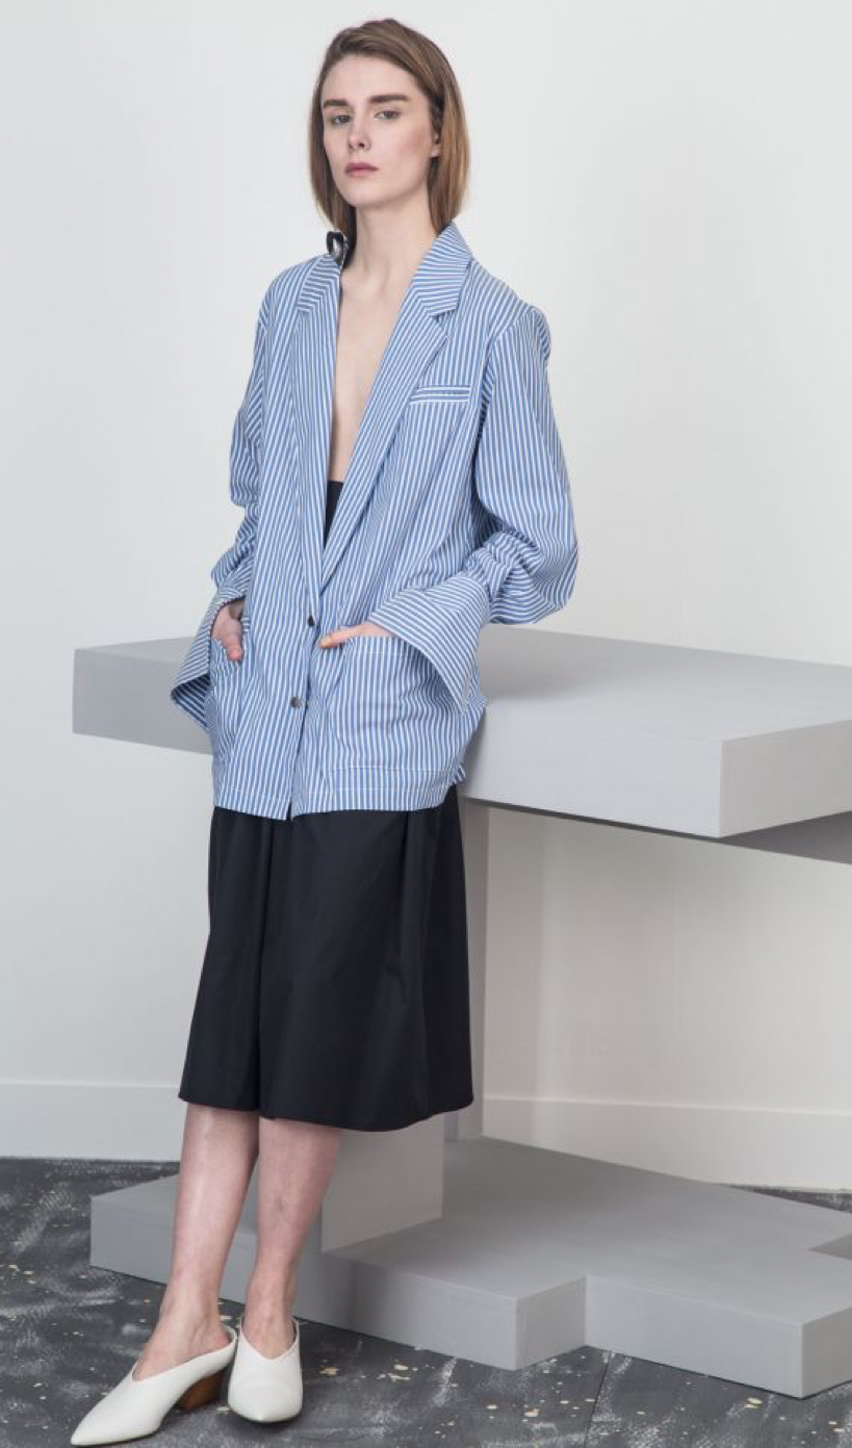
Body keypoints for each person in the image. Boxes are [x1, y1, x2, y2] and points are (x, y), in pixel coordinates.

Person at [70, 16, 578, 1446]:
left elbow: (538, 550)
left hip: (376, 716)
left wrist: (414, 621)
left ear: (437, 131)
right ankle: (185, 1323)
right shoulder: (291, 306)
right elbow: (261, 488)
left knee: (311, 1018)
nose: (358, 135)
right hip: (266, 709)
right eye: (337, 113)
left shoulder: (492, 326)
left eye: (386, 109)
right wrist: (237, 597)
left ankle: (270, 1312)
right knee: (234, 1008)